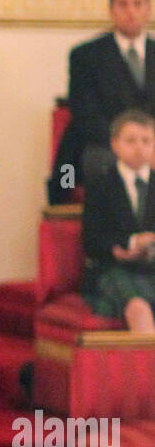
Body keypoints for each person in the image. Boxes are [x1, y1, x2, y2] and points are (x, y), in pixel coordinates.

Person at [50, 0, 155, 202]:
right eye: (123, 4)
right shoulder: (86, 56)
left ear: (148, 9)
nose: (131, 11)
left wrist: (147, 146)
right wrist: (124, 145)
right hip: (104, 145)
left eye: (137, 4)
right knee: (97, 164)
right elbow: (84, 113)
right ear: (111, 10)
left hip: (152, 146)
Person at [80, 109, 155, 333]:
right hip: (114, 268)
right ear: (115, 144)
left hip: (151, 268)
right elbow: (91, 240)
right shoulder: (100, 184)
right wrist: (124, 247)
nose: (139, 147)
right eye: (131, 140)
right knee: (138, 306)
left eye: (146, 140)